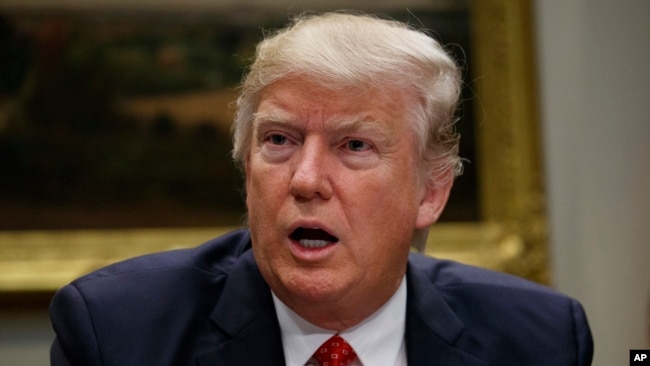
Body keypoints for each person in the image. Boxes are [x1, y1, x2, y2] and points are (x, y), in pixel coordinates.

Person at [48, 12, 594, 366]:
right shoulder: (117, 334)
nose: (306, 180)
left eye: (355, 146)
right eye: (280, 140)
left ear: (431, 192)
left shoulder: (540, 341)